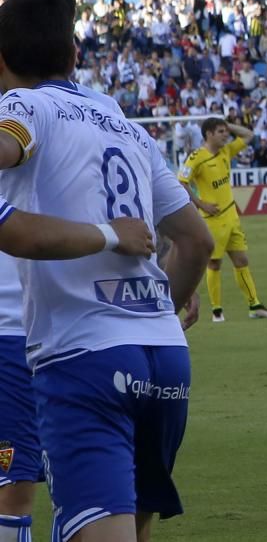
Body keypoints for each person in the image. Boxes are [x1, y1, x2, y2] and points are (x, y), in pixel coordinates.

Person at [0, 0, 214, 542]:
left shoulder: (24, 105)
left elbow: (5, 145)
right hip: (166, 359)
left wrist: (102, 236)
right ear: (74, 54)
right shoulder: (123, 123)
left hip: (84, 358)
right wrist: (159, 304)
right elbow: (196, 240)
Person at [0, 210, 158, 542]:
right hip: (15, 330)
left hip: (75, 330)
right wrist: (112, 235)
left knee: (81, 488)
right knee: (15, 487)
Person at [178, 118, 267, 321]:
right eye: (220, 131)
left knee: (242, 260)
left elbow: (249, 135)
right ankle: (217, 311)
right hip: (212, 219)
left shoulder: (226, 151)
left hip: (231, 216)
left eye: (226, 131)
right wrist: (201, 204)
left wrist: (227, 123)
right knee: (214, 264)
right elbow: (181, 182)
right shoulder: (197, 157)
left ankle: (255, 305)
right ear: (208, 134)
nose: (226, 135)